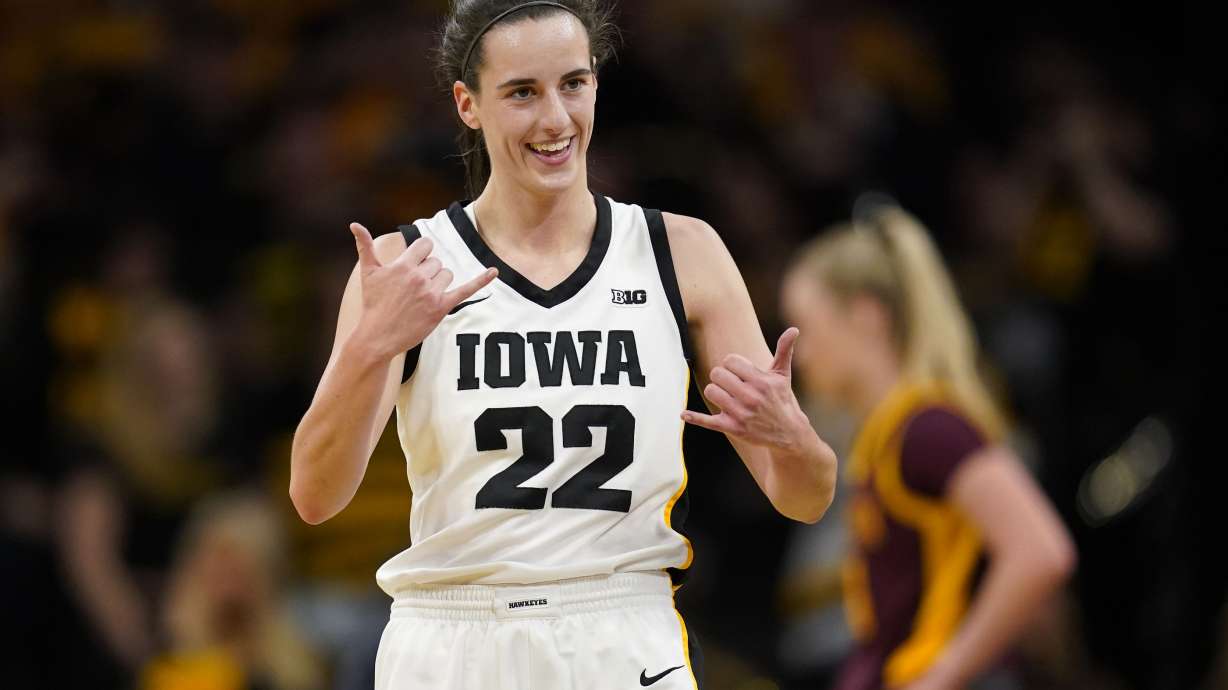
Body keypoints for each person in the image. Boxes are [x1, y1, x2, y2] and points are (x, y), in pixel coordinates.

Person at [288, 2, 838, 688]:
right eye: (522, 92)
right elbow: (314, 496)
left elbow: (807, 497)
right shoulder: (407, 265)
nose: (555, 119)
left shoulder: (682, 252)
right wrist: (369, 347)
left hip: (622, 628)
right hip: (451, 635)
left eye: (573, 84)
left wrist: (794, 439)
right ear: (468, 104)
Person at [779, 200, 1076, 690]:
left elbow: (1042, 551)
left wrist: (943, 676)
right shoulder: (885, 436)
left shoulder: (930, 428)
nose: (799, 354)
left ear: (867, 316)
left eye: (805, 328)